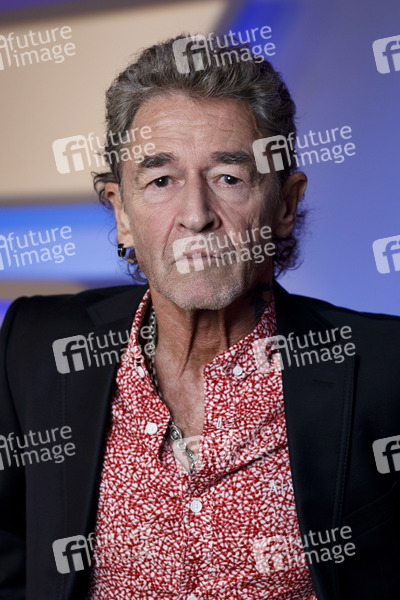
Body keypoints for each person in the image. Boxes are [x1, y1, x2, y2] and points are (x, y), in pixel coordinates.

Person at [1, 34, 400, 600]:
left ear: (285, 205)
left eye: (228, 178)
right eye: (161, 180)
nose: (195, 215)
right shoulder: (36, 346)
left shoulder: (385, 370)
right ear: (121, 212)